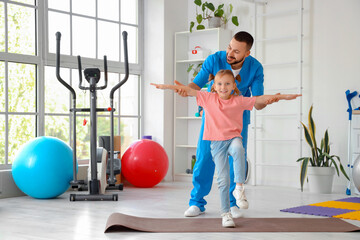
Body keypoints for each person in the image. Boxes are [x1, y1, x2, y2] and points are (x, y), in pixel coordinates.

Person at [151, 70, 301, 227]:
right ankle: (226, 214)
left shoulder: (239, 100)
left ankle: (239, 188)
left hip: (233, 139)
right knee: (222, 180)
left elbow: (259, 99)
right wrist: (165, 86)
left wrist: (282, 97)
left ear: (234, 86)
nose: (223, 87)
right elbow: (188, 91)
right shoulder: (207, 98)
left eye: (228, 84)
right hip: (216, 144)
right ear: (214, 86)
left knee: (238, 149)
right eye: (220, 84)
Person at [176, 31, 264, 218]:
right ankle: (197, 202)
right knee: (204, 159)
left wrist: (269, 100)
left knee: (235, 160)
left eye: (236, 51)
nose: (230, 53)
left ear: (247, 54)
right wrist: (185, 90)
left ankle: (233, 204)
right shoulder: (214, 59)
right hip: (213, 120)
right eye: (229, 47)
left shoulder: (255, 67)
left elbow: (258, 100)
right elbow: (196, 85)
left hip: (237, 121)